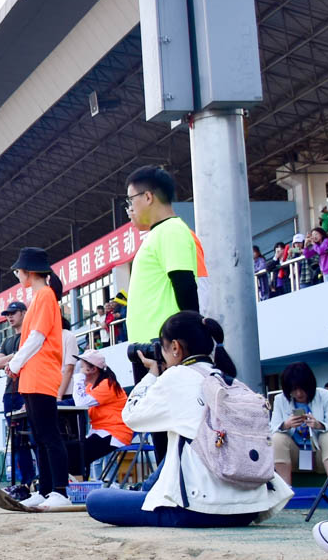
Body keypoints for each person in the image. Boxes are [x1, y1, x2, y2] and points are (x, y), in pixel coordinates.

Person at [86, 313, 293, 527]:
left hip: (199, 509)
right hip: (250, 509)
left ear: (175, 347)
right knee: (185, 439)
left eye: (163, 348)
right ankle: (148, 489)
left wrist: (153, 375)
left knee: (97, 500)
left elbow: (131, 416)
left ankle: (147, 493)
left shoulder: (176, 377)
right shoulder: (228, 379)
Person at [124, 166, 199, 464]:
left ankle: (176, 495)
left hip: (166, 349)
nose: (130, 208)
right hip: (150, 349)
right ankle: (167, 492)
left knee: (171, 431)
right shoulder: (157, 236)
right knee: (159, 429)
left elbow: (185, 287)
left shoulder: (172, 231)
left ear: (148, 197)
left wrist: (184, 346)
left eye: (131, 200)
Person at [7, 247, 71, 510]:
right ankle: (44, 490)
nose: (17, 275)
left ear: (29, 272)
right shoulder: (38, 298)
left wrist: (15, 361)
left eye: (19, 271)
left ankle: (59, 490)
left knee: (49, 435)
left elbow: (38, 337)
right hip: (31, 375)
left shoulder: (45, 295)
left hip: (42, 372)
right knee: (39, 437)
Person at [272, 361, 328, 500]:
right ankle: (286, 491)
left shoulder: (324, 396)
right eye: (293, 389)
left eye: (302, 388)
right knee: (277, 438)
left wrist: (319, 425)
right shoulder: (280, 399)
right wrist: (286, 425)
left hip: (320, 456)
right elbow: (272, 429)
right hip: (295, 456)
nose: (298, 393)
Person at [0, 301, 35, 496]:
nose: (10, 317)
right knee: (18, 442)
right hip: (11, 393)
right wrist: (16, 356)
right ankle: (25, 482)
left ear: (24, 313)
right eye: (7, 314)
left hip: (28, 390)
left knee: (34, 438)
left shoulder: (31, 335)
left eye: (14, 313)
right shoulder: (7, 340)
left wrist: (12, 357)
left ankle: (38, 482)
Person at [66, 350, 131, 479]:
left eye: (83, 366)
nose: (80, 369)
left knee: (77, 452)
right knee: (72, 449)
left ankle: (78, 485)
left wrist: (78, 378)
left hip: (115, 433)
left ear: (93, 369)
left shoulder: (107, 384)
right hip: (101, 431)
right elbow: (76, 400)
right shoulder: (93, 387)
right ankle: (78, 484)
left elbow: (80, 403)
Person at [59, 312, 78, 404]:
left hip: (66, 392)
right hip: (49, 391)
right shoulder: (44, 337)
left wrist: (59, 395)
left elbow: (69, 368)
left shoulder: (68, 336)